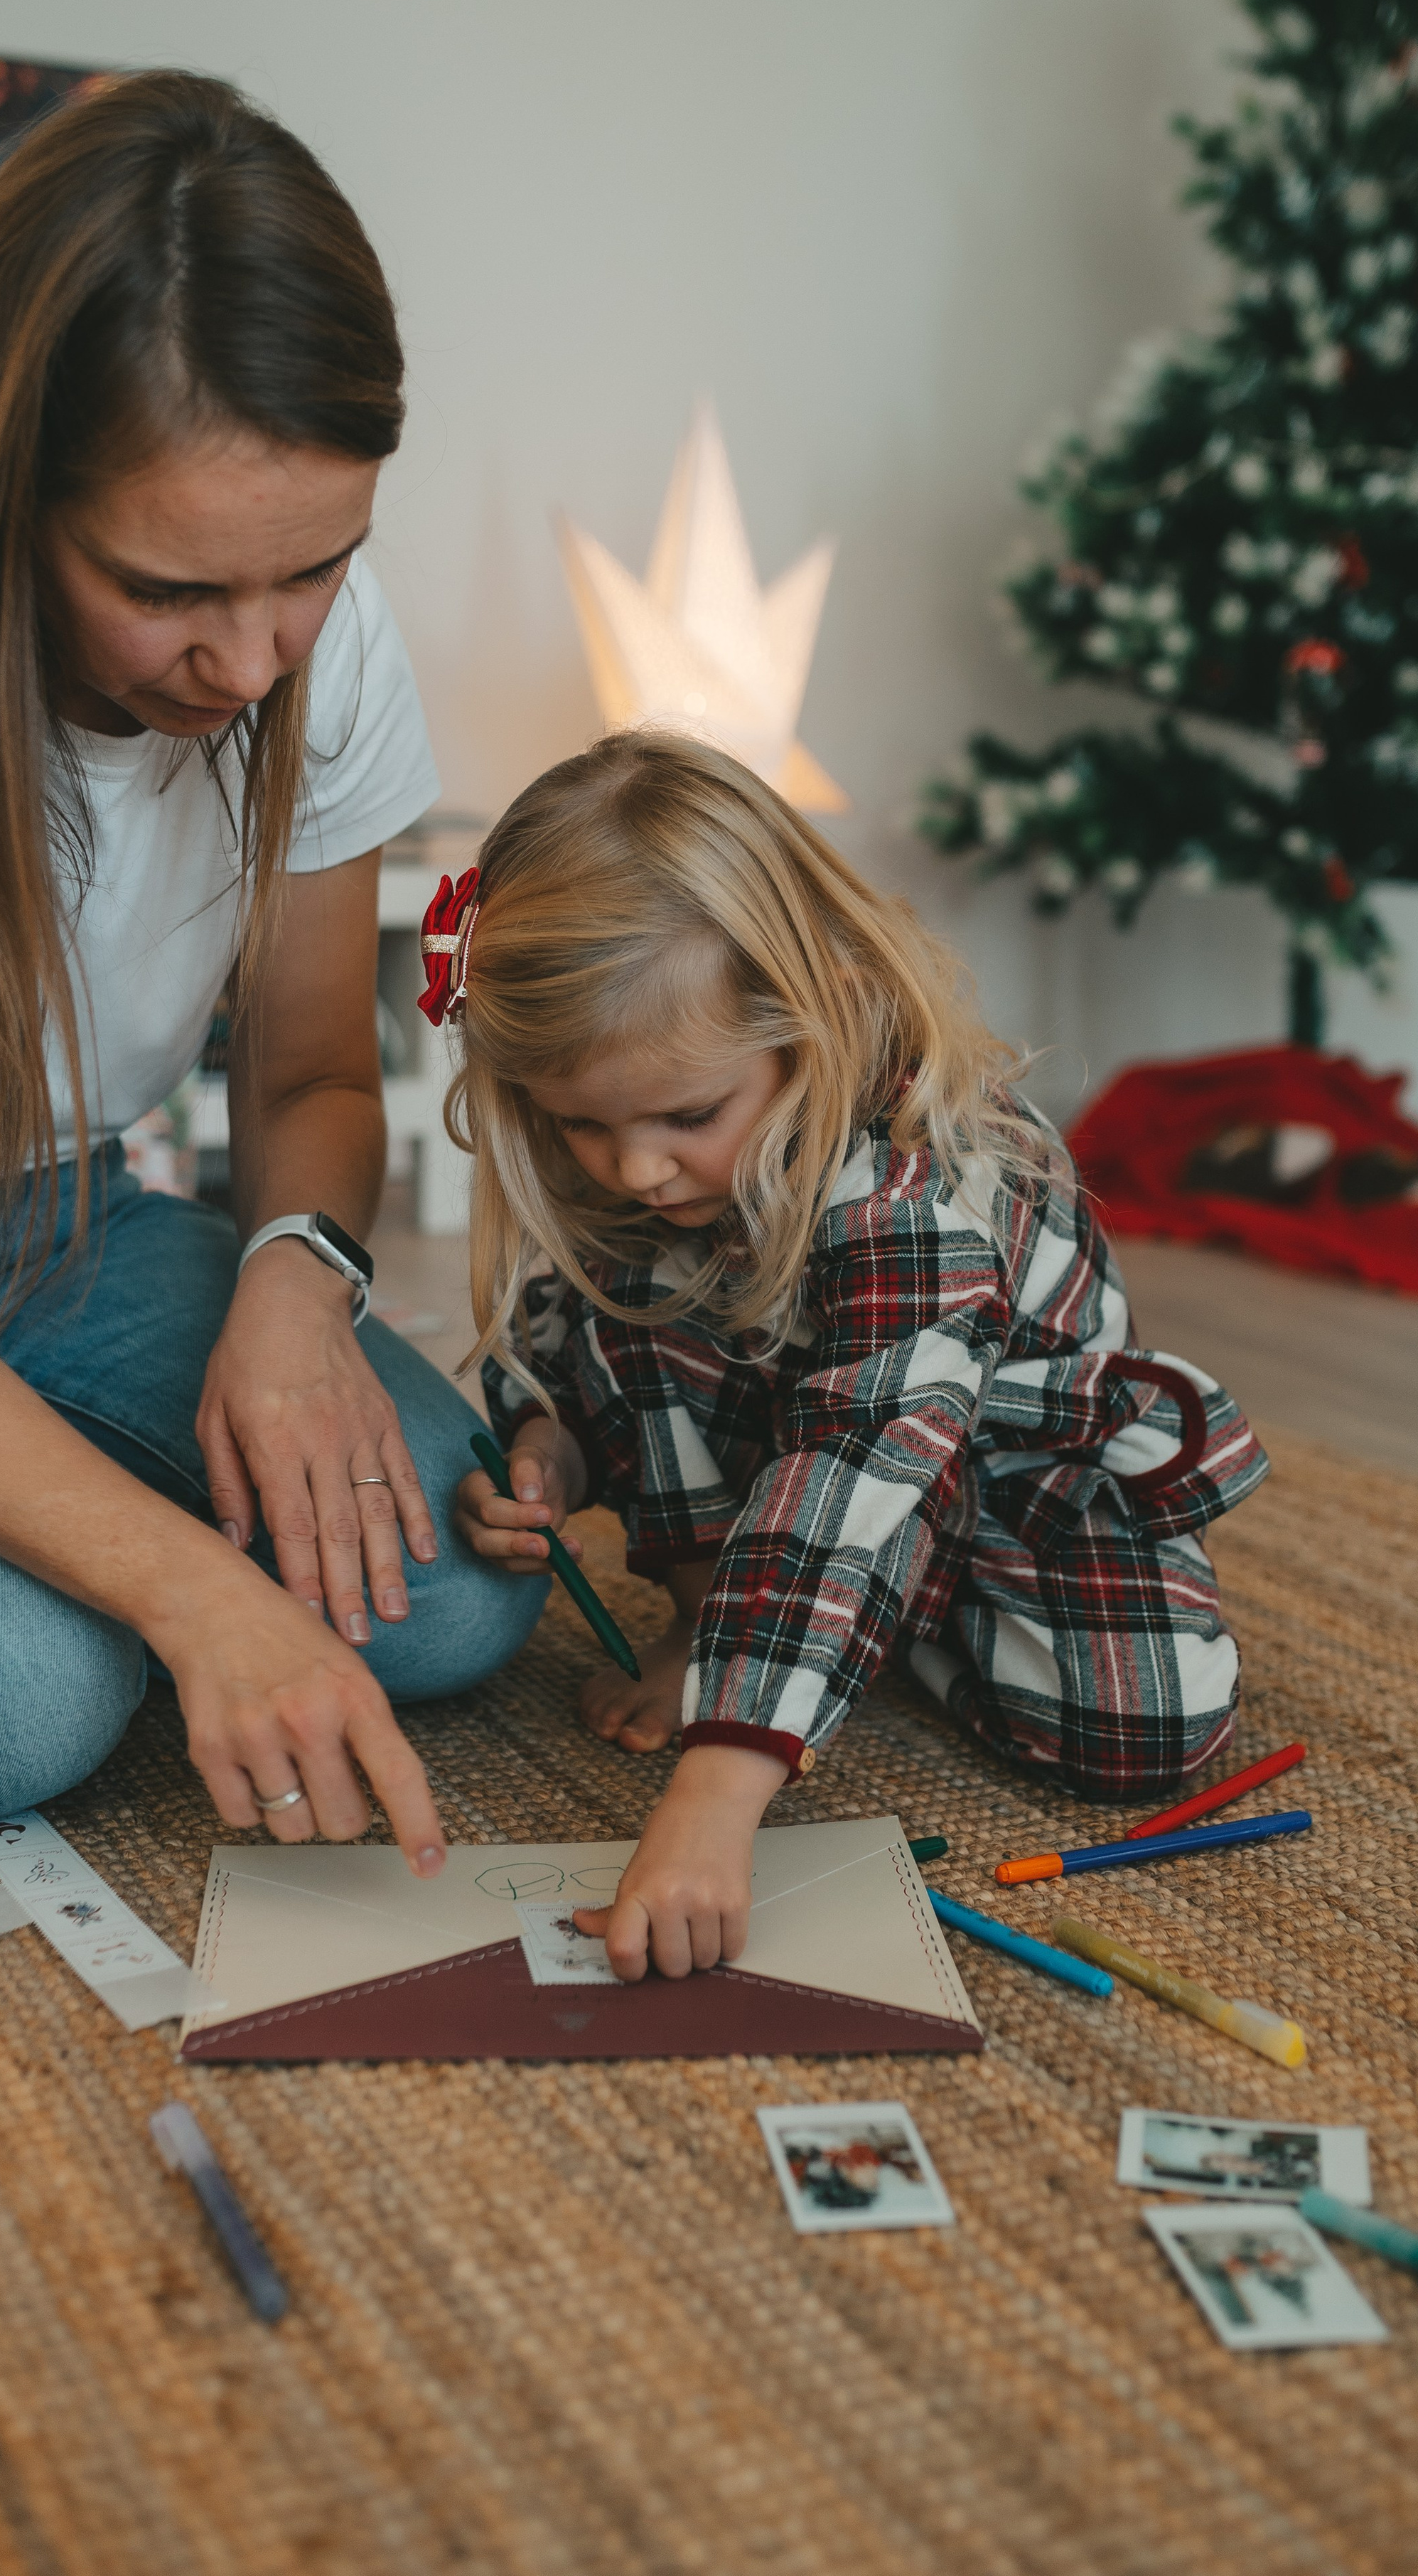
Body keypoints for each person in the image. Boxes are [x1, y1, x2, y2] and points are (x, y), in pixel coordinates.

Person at [0, 72, 545, 1864]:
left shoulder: (308, 624)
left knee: (452, 1586)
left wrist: (298, 1291)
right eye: (168, 589)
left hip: (46, 1212)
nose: (250, 658)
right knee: (12, 1698)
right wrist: (200, 1601)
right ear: (2, 493)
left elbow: (310, 1074)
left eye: (313, 570)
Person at [448, 732, 1268, 1980]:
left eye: (685, 1116)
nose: (635, 1165)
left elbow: (860, 1448)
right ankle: (747, 1617)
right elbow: (574, 1340)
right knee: (644, 1283)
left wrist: (717, 1798)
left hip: (1006, 1469)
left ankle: (829, 1620)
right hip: (801, 1431)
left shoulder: (920, 1184)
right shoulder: (654, 1177)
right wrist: (547, 1450)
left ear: (812, 1012)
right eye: (582, 1127)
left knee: (1150, 1717)